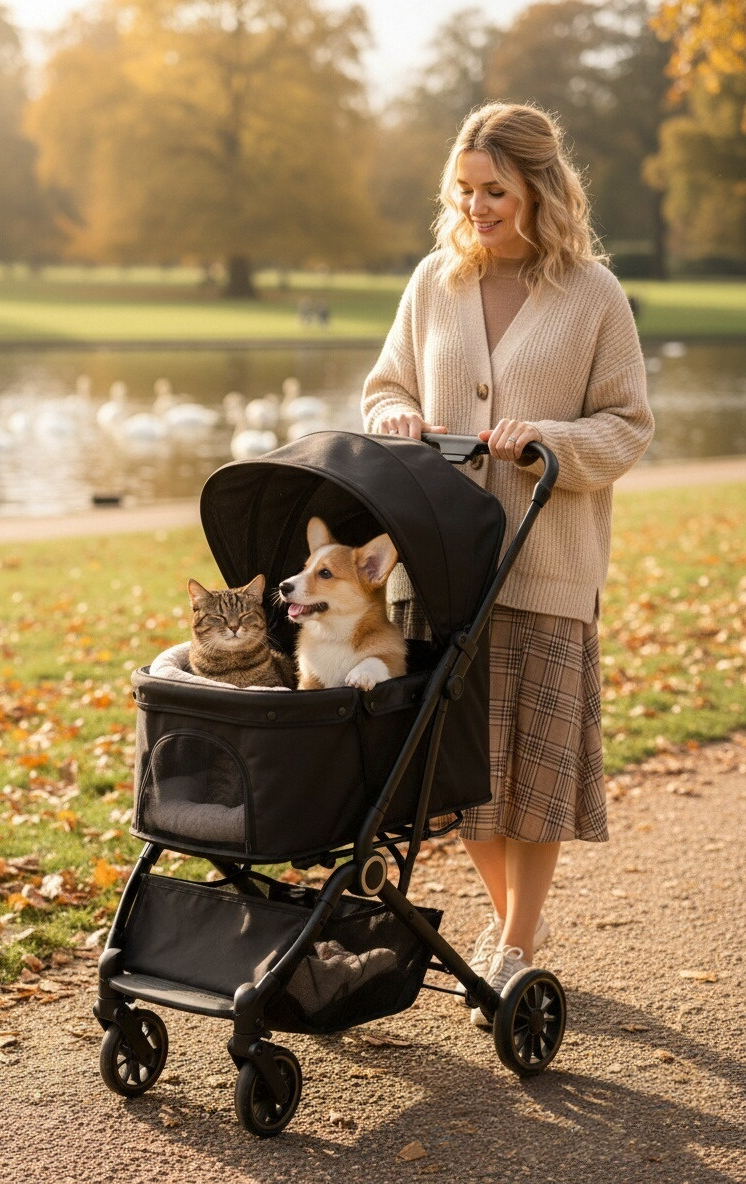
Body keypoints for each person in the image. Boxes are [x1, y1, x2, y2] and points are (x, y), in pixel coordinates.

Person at [361, 102, 654, 1026]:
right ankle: (512, 930)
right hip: (438, 566)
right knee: (458, 770)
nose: (477, 207)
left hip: (543, 562)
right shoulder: (434, 281)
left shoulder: (594, 295)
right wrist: (395, 421)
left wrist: (550, 441)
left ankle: (518, 942)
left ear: (539, 187)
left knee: (530, 775)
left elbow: (627, 425)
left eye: (495, 190)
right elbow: (385, 386)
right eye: (464, 190)